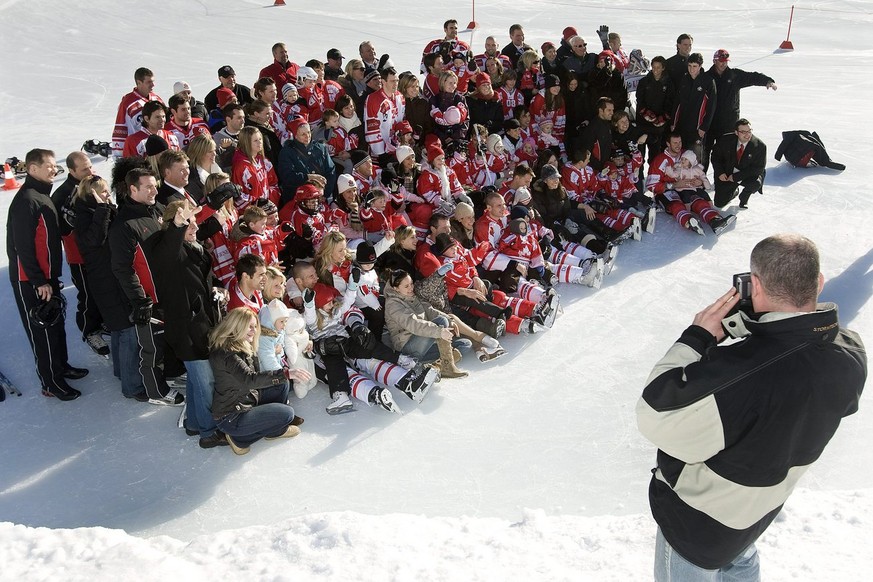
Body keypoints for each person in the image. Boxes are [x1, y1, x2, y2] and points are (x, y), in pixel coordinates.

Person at [637, 234, 866, 581]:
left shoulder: (738, 374)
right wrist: (759, 323)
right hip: (758, 509)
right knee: (740, 559)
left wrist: (697, 337)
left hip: (700, 526)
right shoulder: (851, 352)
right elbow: (792, 359)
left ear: (753, 284)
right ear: (818, 283)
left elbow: (656, 414)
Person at [7, 149, 89, 400]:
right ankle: (50, 383)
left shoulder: (41, 196)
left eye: (55, 166)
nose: (55, 170)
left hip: (46, 278)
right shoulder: (27, 201)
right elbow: (22, 247)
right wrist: (39, 281)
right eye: (49, 166)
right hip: (31, 280)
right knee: (41, 331)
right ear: (32, 169)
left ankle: (61, 366)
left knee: (55, 326)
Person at [151, 200, 228, 448]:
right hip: (185, 328)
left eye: (194, 222)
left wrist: (216, 289)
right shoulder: (166, 250)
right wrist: (177, 226)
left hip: (200, 326)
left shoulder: (194, 248)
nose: (194, 227)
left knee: (197, 380)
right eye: (188, 224)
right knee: (206, 381)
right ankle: (208, 432)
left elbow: (201, 281)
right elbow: (168, 254)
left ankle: (195, 423)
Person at [109, 167, 184, 405]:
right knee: (147, 348)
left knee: (162, 342)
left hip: (164, 292)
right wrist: (140, 299)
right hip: (145, 297)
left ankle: (164, 376)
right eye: (148, 187)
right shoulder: (124, 225)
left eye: (155, 185)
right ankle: (146, 389)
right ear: (132, 189)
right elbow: (123, 268)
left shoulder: (156, 210)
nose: (154, 191)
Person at [210, 307, 309, 455]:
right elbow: (249, 380)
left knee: (281, 384)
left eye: (255, 326)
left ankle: (274, 430)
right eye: (249, 326)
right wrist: (286, 373)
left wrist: (283, 374)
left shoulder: (241, 344)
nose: (254, 330)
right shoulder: (227, 354)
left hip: (246, 400)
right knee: (287, 414)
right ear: (237, 325)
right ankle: (239, 440)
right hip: (232, 416)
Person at [50, 151, 108, 357]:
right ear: (71, 170)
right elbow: (61, 230)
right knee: (87, 294)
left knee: (102, 290)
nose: (90, 171)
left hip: (99, 252)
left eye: (90, 166)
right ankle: (90, 330)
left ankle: (102, 322)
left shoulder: (93, 182)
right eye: (84, 169)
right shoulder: (62, 194)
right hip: (79, 256)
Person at [646, 132, 735, 236]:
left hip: (687, 189)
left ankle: (714, 221)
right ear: (668, 144)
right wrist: (673, 185)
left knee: (698, 201)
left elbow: (697, 172)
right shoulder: (659, 160)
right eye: (675, 143)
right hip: (667, 191)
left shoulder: (687, 155)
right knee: (676, 204)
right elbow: (651, 185)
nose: (678, 145)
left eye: (679, 142)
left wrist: (700, 182)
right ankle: (689, 222)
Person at [384, 269, 468, 378]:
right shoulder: (393, 304)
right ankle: (447, 367)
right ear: (396, 289)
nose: (411, 288)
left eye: (411, 284)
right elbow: (413, 324)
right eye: (406, 286)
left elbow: (430, 310)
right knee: (441, 322)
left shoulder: (412, 295)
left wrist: (450, 320)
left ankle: (437, 367)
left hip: (423, 342)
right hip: (407, 347)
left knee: (464, 344)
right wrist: (439, 331)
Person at [706, 49, 776, 168]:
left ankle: (724, 181)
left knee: (727, 152)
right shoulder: (707, 77)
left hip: (729, 122)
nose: (724, 64)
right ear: (714, 61)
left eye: (726, 61)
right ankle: (701, 179)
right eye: (721, 61)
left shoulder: (734, 75)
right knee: (706, 151)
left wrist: (767, 81)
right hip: (710, 122)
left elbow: (752, 77)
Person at [671, 53, 716, 164]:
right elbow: (677, 103)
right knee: (681, 157)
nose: (692, 69)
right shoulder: (684, 79)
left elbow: (711, 107)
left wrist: (704, 127)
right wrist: (673, 122)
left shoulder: (708, 81)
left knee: (695, 159)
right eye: (689, 66)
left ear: (700, 66)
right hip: (682, 125)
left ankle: (698, 181)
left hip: (697, 128)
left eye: (694, 66)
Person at [712, 119, 767, 209]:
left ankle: (744, 197)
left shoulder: (760, 146)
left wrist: (736, 177)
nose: (747, 134)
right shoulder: (725, 140)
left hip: (746, 174)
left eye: (749, 131)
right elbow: (715, 157)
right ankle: (734, 191)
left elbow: (758, 168)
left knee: (756, 183)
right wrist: (720, 172)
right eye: (743, 132)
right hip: (728, 173)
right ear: (736, 132)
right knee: (719, 203)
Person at [111, 67, 164, 157]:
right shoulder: (127, 103)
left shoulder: (157, 99)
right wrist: (119, 153)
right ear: (139, 83)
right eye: (149, 82)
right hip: (138, 149)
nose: (153, 85)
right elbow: (121, 126)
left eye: (153, 81)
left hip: (158, 147)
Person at [364, 67, 404, 158]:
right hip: (380, 150)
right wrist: (380, 151)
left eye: (397, 81)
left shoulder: (400, 97)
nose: (396, 84)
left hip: (396, 146)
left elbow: (400, 121)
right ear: (383, 81)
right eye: (392, 81)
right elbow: (371, 125)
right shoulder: (373, 99)